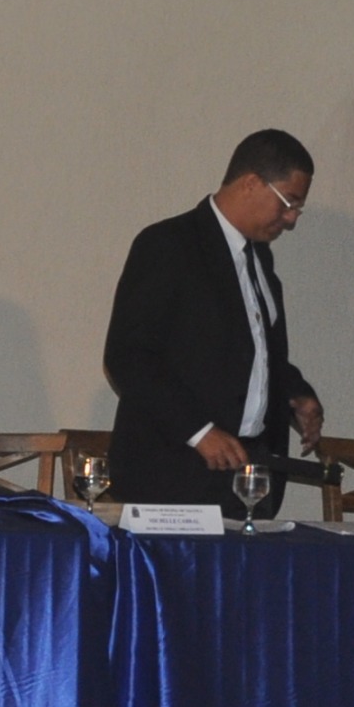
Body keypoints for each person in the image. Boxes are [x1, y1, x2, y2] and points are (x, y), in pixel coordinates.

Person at [100, 129, 325, 515]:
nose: (291, 219)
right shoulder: (168, 244)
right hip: (172, 474)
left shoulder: (260, 259)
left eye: (297, 208)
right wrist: (199, 432)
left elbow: (254, 352)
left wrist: (296, 395)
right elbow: (129, 357)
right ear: (251, 183)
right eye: (289, 202)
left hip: (246, 477)